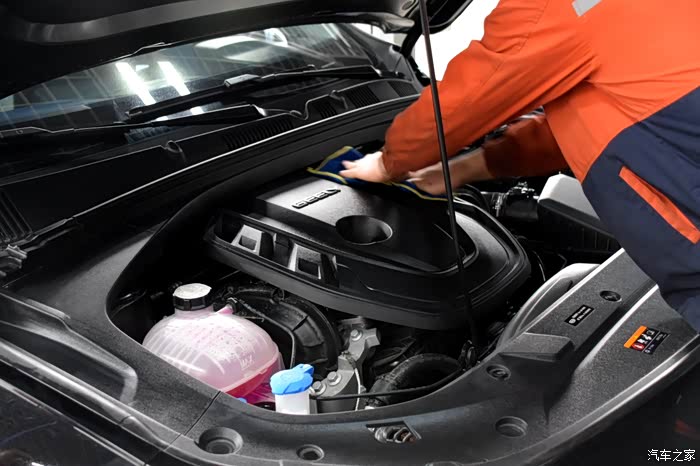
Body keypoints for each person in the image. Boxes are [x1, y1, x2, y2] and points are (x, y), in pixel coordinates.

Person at [340, 0, 700, 331]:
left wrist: (388, 164)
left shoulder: (552, 7)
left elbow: (463, 101)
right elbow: (589, 121)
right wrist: (472, 167)